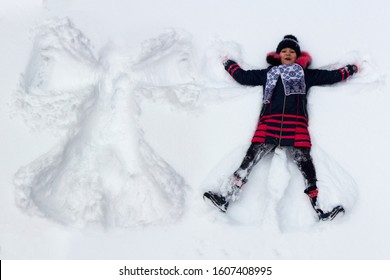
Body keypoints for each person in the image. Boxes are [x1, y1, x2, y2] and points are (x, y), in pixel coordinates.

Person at [203, 35, 358, 221]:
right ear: (278, 55)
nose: (287, 54)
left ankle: (320, 208)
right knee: (247, 162)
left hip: (296, 127)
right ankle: (226, 198)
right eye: (284, 51)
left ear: (297, 56)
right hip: (269, 125)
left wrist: (350, 69)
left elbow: (331, 76)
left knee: (307, 168)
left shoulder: (305, 74)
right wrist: (229, 64)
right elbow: (243, 77)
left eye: (291, 51)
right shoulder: (269, 73)